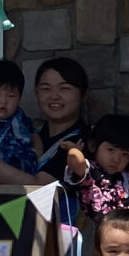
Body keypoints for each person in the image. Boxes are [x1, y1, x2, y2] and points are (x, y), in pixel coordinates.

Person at [60, 114, 129, 219]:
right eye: (111, 150)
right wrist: (74, 149)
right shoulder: (89, 171)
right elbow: (76, 161)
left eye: (125, 154)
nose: (116, 159)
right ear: (92, 145)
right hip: (96, 232)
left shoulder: (125, 176)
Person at [31, 56, 90, 185]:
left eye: (64, 88)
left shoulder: (85, 143)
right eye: (46, 89)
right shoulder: (29, 137)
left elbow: (39, 188)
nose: (54, 96)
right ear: (36, 93)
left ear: (83, 94)